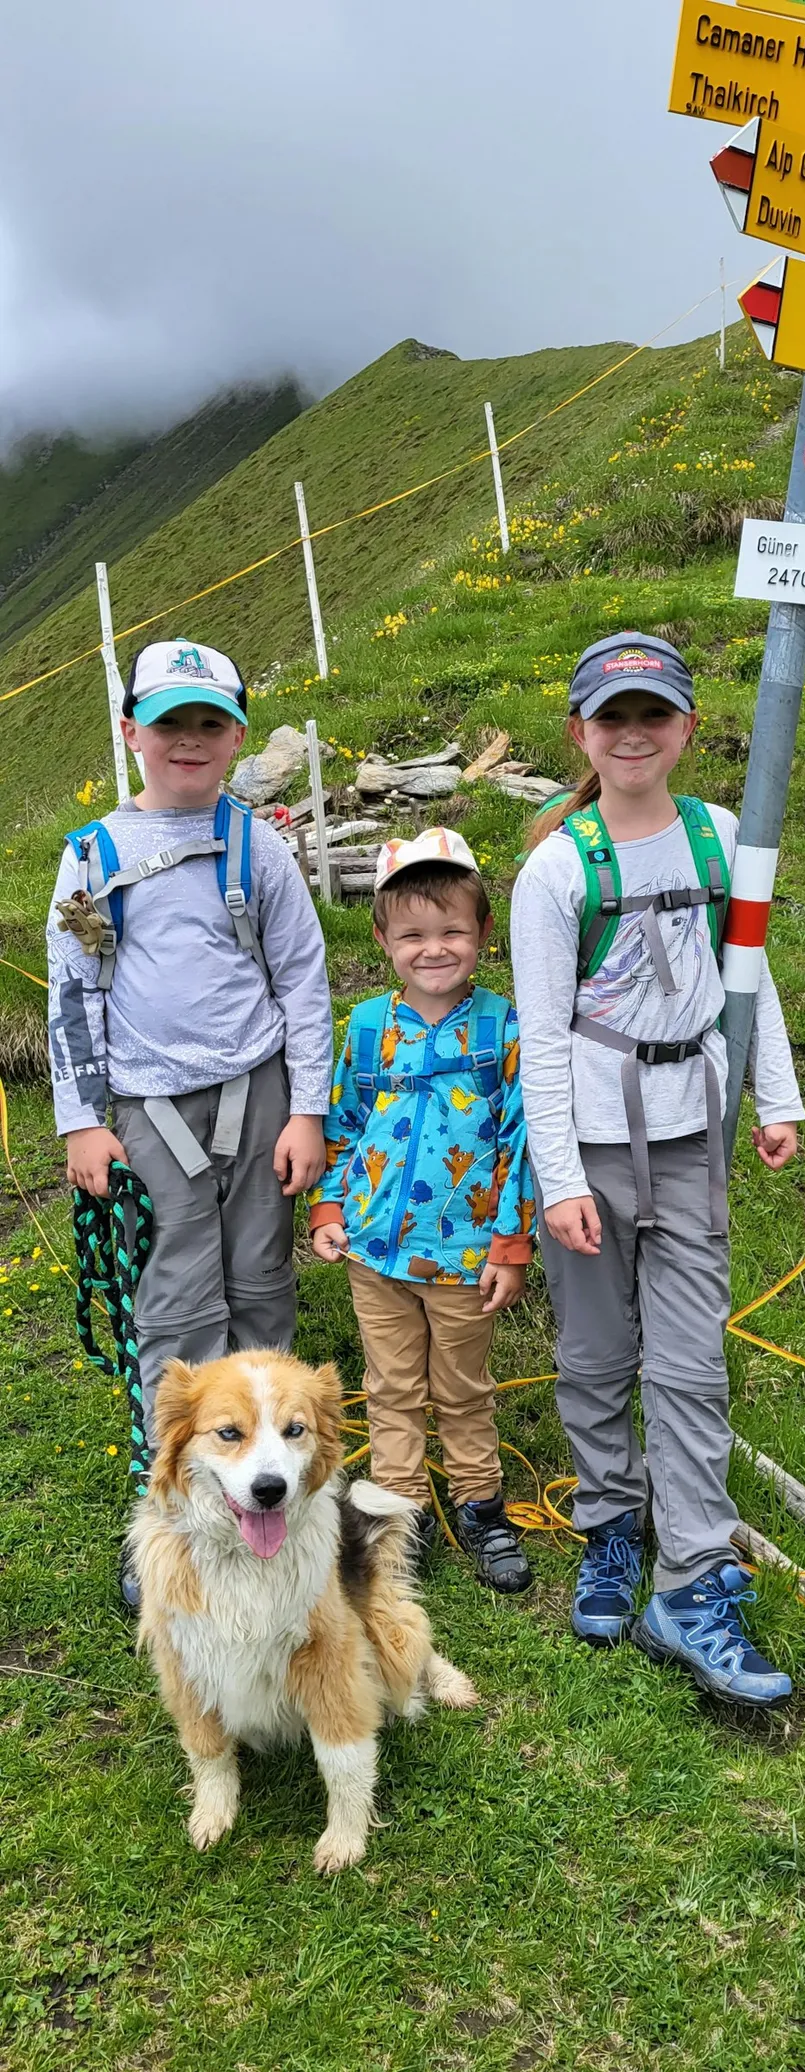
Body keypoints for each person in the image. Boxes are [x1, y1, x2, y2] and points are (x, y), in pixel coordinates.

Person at [510, 632, 805, 1707]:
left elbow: (749, 975)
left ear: (685, 725)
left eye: (653, 714)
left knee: (688, 1362)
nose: (632, 734)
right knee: (595, 1351)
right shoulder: (555, 867)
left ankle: (688, 1577)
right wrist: (559, 1178)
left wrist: (775, 1094)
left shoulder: (723, 835)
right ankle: (608, 1524)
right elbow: (542, 1037)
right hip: (588, 1142)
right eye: (611, 716)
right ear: (580, 733)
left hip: (695, 1135)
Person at [46, 638, 332, 1603]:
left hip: (256, 1097)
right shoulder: (91, 856)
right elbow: (73, 996)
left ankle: (275, 1478)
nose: (190, 741)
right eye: (170, 724)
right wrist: (83, 1121)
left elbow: (301, 978)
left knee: (261, 1277)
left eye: (211, 724)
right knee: (173, 1297)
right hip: (145, 1108)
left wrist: (308, 1110)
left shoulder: (259, 845)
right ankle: (173, 1500)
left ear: (238, 735)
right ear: (132, 732)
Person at [308, 828, 536, 1593]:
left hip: (465, 1257)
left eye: (451, 932)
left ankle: (479, 1505)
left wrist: (510, 1242)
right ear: (381, 938)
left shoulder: (503, 1027)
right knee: (391, 1387)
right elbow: (343, 1123)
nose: (432, 950)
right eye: (411, 935)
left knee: (463, 1388)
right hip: (375, 1254)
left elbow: (519, 1140)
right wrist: (328, 1204)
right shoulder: (368, 1027)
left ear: (483, 934)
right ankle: (396, 1514)